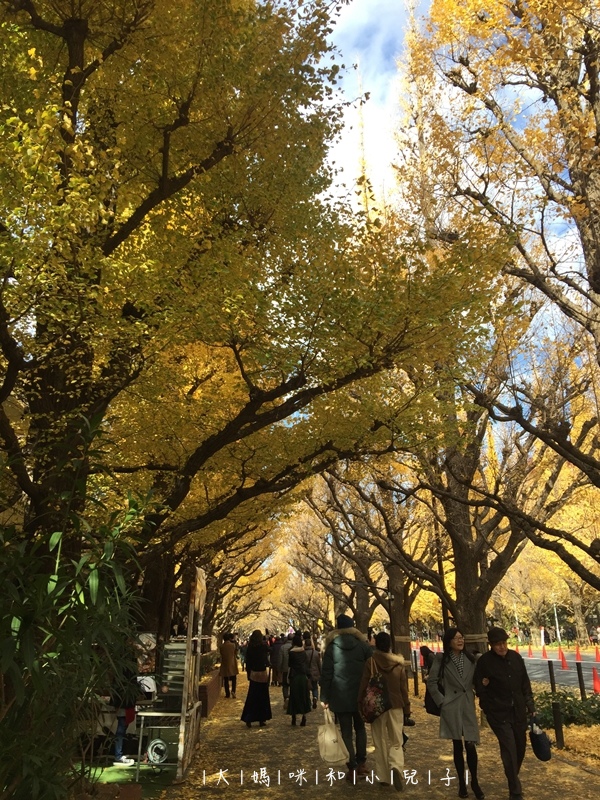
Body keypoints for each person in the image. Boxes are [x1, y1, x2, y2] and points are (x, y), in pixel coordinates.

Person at [474, 627, 535, 800]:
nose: (501, 647)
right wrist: (486, 706)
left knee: (520, 747)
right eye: (497, 644)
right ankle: (515, 790)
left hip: (518, 711)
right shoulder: (485, 662)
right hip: (498, 713)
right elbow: (479, 686)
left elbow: (525, 683)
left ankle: (512, 775)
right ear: (491, 645)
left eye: (503, 643)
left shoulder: (515, 658)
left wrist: (530, 704)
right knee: (509, 748)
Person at [427, 629, 484, 800]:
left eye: (462, 637)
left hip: (467, 704)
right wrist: (442, 701)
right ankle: (461, 783)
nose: (460, 640)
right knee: (457, 745)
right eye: (456, 638)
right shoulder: (441, 659)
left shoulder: (471, 658)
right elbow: (431, 681)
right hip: (451, 705)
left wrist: (482, 684)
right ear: (448, 641)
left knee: (471, 744)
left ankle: (475, 781)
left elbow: (477, 678)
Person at [320, 613, 373, 783]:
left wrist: (324, 697)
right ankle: (363, 762)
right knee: (361, 729)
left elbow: (326, 674)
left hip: (340, 696)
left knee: (346, 733)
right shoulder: (363, 646)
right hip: (360, 695)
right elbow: (372, 669)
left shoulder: (331, 648)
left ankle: (352, 767)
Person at [358, 631, 410, 791]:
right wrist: (407, 708)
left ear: (375, 644)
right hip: (395, 705)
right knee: (396, 740)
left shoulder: (371, 662)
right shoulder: (399, 665)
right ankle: (396, 766)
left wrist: (360, 703)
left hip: (377, 707)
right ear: (390, 645)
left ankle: (383, 777)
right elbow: (403, 689)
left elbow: (364, 685)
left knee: (379, 741)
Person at [241, 629, 272, 728]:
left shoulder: (250, 647)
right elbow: (270, 650)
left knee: (252, 696)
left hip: (254, 673)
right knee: (262, 696)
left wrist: (248, 674)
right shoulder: (263, 646)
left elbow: (248, 662)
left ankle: (248, 718)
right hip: (262, 673)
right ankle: (262, 718)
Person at [286, 632, 312, 726]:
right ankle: (304, 717)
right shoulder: (303, 652)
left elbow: (289, 665)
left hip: (294, 676)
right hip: (303, 676)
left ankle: (294, 717)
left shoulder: (291, 652)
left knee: (294, 696)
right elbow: (306, 664)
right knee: (303, 696)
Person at [303, 632, 322, 709]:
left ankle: (308, 701)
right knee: (315, 687)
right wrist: (320, 673)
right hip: (315, 673)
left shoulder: (303, 653)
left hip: (306, 674)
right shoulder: (316, 653)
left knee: (307, 688)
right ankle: (315, 698)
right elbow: (319, 664)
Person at [219, 632, 239, 699]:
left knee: (226, 679)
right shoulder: (233, 645)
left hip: (225, 663)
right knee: (234, 678)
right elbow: (235, 653)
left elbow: (221, 654)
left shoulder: (221, 646)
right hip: (232, 663)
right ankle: (233, 691)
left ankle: (227, 693)